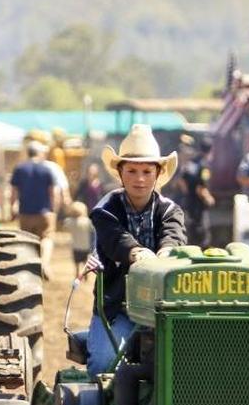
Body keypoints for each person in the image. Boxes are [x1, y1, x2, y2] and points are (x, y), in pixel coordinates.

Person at [87, 125, 186, 375]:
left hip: (163, 310)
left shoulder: (170, 210)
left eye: (146, 171)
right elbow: (115, 240)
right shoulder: (105, 209)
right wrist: (137, 253)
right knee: (103, 365)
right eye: (131, 171)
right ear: (120, 173)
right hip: (116, 307)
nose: (139, 179)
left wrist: (167, 253)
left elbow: (173, 236)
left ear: (158, 173)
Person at [10, 140, 59, 279]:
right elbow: (53, 192)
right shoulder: (47, 169)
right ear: (39, 153)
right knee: (47, 238)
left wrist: (12, 210)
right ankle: (44, 263)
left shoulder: (19, 169)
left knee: (27, 241)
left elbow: (14, 192)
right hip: (44, 212)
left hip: (25, 212)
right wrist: (53, 209)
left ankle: (29, 271)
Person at [177, 136, 215, 247]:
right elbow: (201, 187)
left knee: (190, 233)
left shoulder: (192, 162)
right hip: (199, 206)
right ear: (211, 150)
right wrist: (208, 198)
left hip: (189, 203)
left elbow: (181, 180)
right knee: (203, 236)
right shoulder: (204, 165)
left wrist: (188, 193)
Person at [64, 201, 95, 273]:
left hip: (75, 246)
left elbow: (65, 225)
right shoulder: (87, 221)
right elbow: (93, 229)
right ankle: (85, 273)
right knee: (85, 261)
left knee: (76, 262)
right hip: (86, 246)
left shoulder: (70, 221)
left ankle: (77, 273)